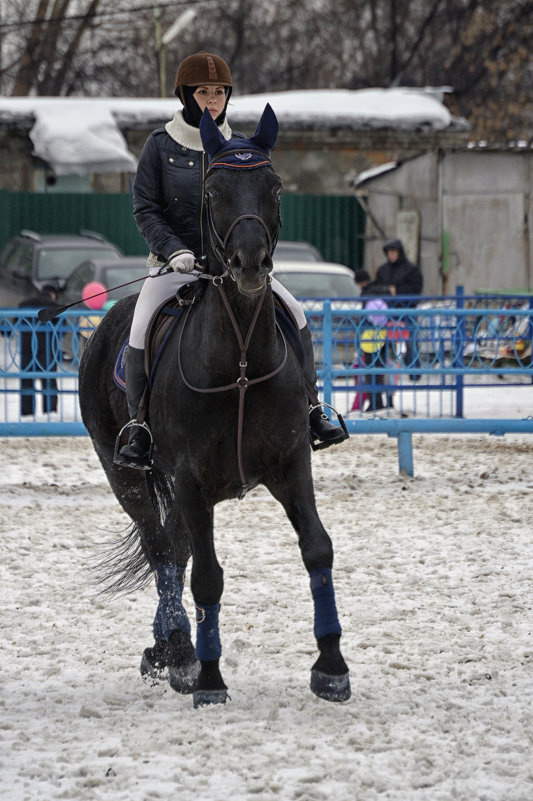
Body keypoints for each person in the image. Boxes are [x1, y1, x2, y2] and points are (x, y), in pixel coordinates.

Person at [115, 51, 346, 470]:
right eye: (203, 91)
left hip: (234, 268)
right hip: (175, 267)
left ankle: (313, 409)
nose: (212, 99)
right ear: (186, 94)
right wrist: (175, 251)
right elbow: (145, 209)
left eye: (219, 92)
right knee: (140, 325)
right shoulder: (159, 145)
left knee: (295, 314)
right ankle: (140, 427)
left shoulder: (240, 149)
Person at [375, 238, 423, 380]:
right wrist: (386, 291)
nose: (391, 255)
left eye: (394, 252)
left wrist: (398, 291)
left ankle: (414, 372)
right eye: (389, 252)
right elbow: (376, 287)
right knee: (383, 341)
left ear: (399, 252)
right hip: (387, 312)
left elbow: (416, 289)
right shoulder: (383, 270)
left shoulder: (411, 269)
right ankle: (385, 371)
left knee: (411, 341)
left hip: (406, 311)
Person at [18, 285, 60, 416]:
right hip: (46, 347)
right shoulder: (53, 305)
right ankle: (50, 411)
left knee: (26, 380)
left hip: (27, 346)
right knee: (49, 379)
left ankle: (27, 412)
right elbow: (61, 327)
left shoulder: (23, 304)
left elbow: (16, 323)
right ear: (53, 294)